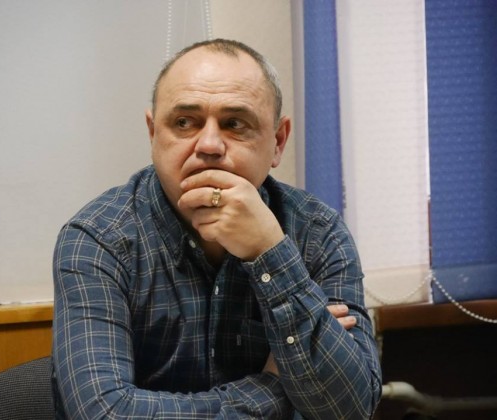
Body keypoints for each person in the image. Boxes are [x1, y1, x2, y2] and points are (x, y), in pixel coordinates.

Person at [52, 38, 382, 419]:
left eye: (234, 124)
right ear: (153, 133)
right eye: (184, 122)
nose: (208, 145)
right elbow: (104, 414)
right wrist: (273, 387)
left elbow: (351, 409)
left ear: (277, 142)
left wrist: (270, 251)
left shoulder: (318, 233)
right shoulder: (98, 240)